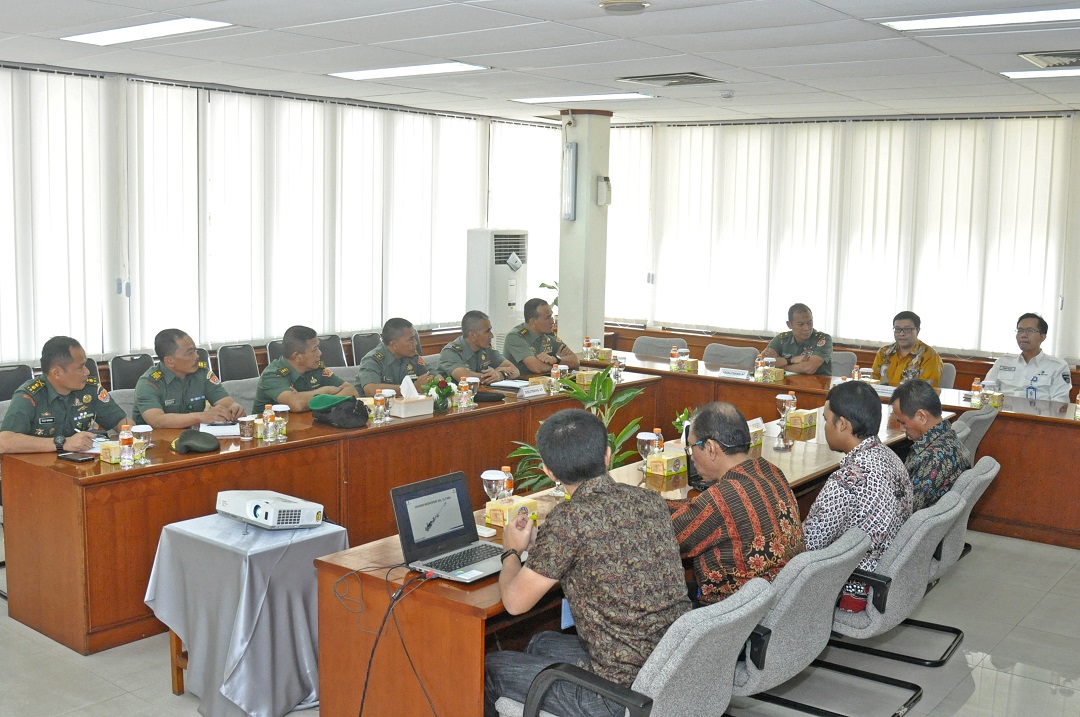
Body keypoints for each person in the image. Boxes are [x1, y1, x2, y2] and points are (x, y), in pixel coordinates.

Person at [484, 409, 690, 717]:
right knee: (540, 643)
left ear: (549, 471)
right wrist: (546, 547)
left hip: (618, 696)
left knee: (489, 667)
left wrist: (511, 551)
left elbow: (514, 603)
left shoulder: (569, 520)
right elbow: (605, 545)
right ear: (607, 454)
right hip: (670, 666)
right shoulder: (649, 500)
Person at [668, 402, 804, 604]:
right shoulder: (771, 471)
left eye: (691, 448)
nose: (692, 457)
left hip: (733, 612)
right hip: (781, 601)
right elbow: (697, 508)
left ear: (710, 448)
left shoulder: (721, 499)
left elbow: (666, 538)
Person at [802, 380, 912, 612]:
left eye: (826, 420)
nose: (825, 427)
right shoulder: (892, 457)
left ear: (842, 424)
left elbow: (807, 547)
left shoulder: (847, 481)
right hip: (890, 576)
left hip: (857, 589)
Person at [0, 336, 130, 454]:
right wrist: (63, 443)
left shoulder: (90, 389)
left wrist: (129, 433)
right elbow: (4, 442)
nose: (87, 372)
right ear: (57, 373)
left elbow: (121, 422)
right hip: (38, 467)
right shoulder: (29, 396)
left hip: (80, 465)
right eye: (80, 367)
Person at [133, 329, 244, 428]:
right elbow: (157, 421)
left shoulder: (202, 373)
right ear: (169, 361)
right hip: (155, 441)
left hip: (194, 439)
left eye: (195, 350)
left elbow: (225, 402)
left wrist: (234, 408)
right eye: (190, 353)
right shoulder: (149, 383)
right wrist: (201, 416)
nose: (196, 356)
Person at [890, 379, 972, 512]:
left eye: (903, 422)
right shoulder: (948, 437)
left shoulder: (932, 459)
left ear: (921, 417)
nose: (901, 429)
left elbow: (901, 511)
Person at [254, 325, 359, 412]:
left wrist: (318, 400)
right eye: (315, 349)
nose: (320, 353)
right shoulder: (273, 375)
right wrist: (325, 391)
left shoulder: (316, 368)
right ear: (297, 356)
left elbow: (352, 391)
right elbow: (297, 404)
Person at [983, 313, 1072, 402]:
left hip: (1038, 410)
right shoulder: (1003, 361)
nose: (1023, 335)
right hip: (1003, 409)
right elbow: (986, 391)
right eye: (1020, 330)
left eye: (1030, 330)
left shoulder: (1058, 366)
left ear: (1042, 337)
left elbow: (1060, 402)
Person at [438, 310, 520, 385]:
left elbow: (515, 371)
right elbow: (465, 378)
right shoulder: (451, 352)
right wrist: (495, 374)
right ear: (473, 335)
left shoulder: (486, 349)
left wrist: (501, 374)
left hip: (479, 393)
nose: (491, 336)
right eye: (487, 331)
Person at [355, 318, 432, 396]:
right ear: (394, 344)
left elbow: (432, 375)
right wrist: (411, 388)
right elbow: (371, 390)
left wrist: (431, 380)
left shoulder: (412, 356)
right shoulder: (372, 360)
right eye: (410, 339)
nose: (415, 343)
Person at [503, 298, 580, 376]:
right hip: (522, 382)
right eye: (547, 318)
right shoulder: (516, 337)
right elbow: (537, 368)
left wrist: (555, 359)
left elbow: (575, 361)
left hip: (545, 380)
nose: (552, 321)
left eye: (551, 316)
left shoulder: (548, 335)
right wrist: (560, 365)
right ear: (533, 322)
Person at [871, 311, 944, 387]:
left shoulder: (929, 356)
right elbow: (873, 382)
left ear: (918, 330)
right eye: (897, 329)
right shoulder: (884, 352)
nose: (901, 333)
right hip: (882, 394)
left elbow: (926, 389)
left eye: (907, 329)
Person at [761, 303, 833, 375]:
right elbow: (762, 361)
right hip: (786, 381)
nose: (807, 328)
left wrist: (778, 364)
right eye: (800, 324)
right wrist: (791, 360)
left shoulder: (822, 339)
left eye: (809, 323)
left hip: (817, 381)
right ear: (789, 325)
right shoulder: (782, 339)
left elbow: (809, 368)